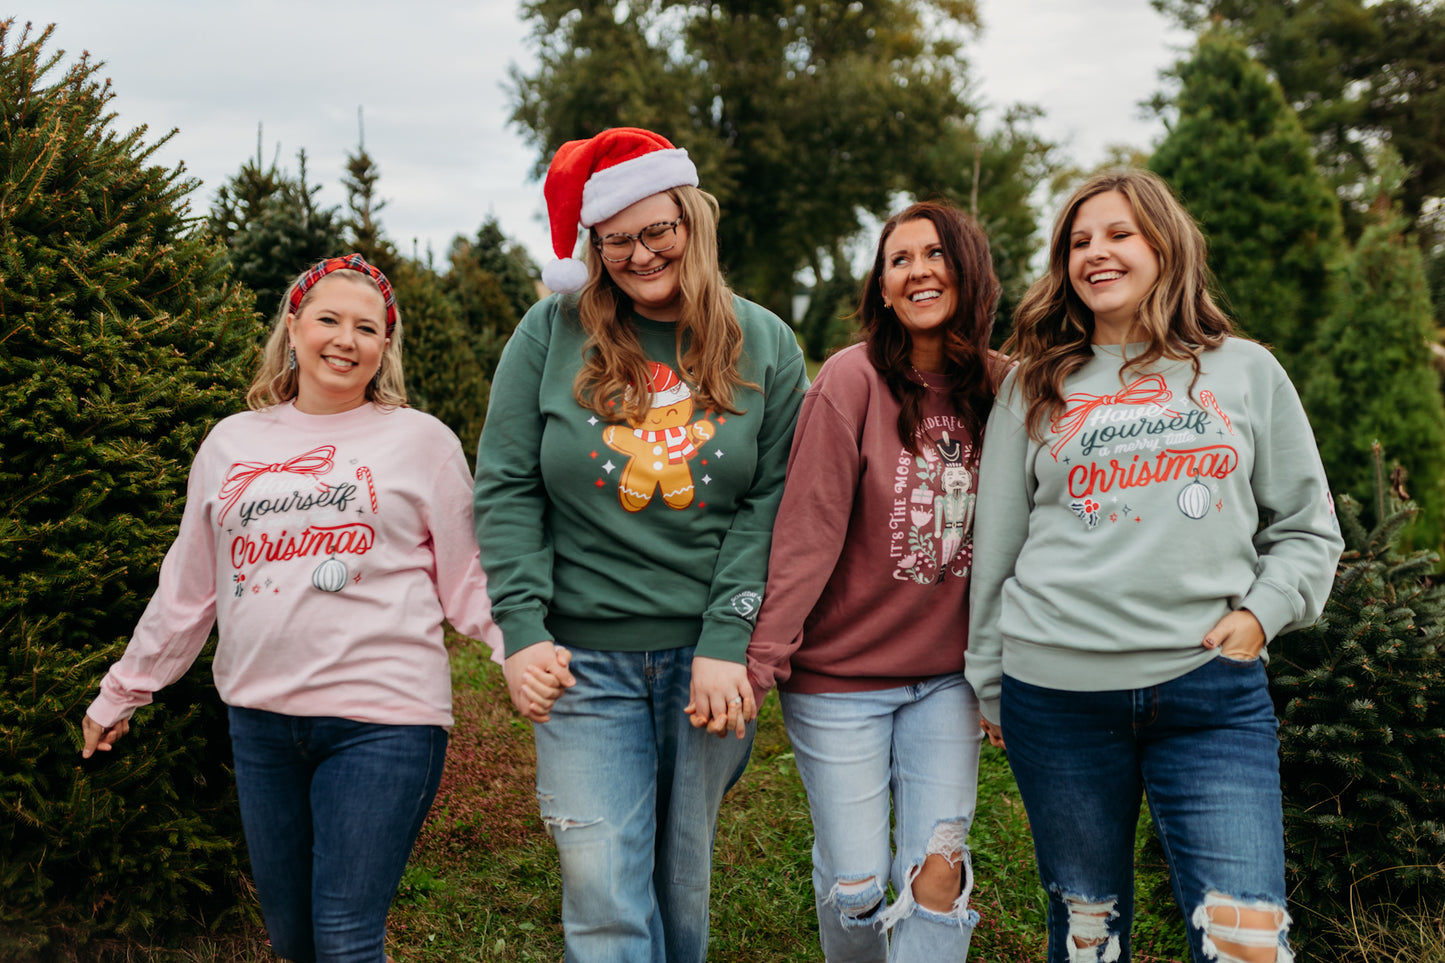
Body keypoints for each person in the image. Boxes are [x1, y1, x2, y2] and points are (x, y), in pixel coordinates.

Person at [80, 254, 507, 963]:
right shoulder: (232, 442)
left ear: (384, 347)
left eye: (367, 328)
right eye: (329, 319)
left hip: (384, 722)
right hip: (261, 726)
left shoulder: (421, 441)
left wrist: (524, 650)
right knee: (294, 942)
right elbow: (189, 589)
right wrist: (121, 691)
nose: (346, 339)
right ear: (294, 326)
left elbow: (469, 577)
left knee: (344, 940)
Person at [965, 169, 1344, 963]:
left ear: (1165, 246)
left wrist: (1258, 618)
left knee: (1249, 942)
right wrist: (991, 680)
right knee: (1085, 933)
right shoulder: (1035, 386)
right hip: (1057, 701)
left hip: (1208, 693)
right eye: (1077, 240)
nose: (1094, 253)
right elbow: (995, 549)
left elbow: (1309, 527)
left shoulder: (1244, 371)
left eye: (1117, 234)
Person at [472, 126, 809, 962]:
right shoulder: (548, 334)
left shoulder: (764, 342)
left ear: (691, 220)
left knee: (677, 883)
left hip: (707, 660)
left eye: (656, 229)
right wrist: (521, 628)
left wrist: (730, 638)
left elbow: (769, 502)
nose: (639, 253)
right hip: (580, 662)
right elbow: (506, 483)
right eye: (614, 239)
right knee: (599, 883)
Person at [745, 201, 1002, 961]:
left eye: (934, 253)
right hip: (838, 681)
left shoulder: (1005, 389)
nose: (918, 269)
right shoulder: (849, 381)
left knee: (936, 870)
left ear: (969, 271)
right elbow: (807, 530)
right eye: (899, 259)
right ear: (882, 288)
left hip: (946, 680)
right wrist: (761, 658)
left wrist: (1001, 674)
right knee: (855, 885)